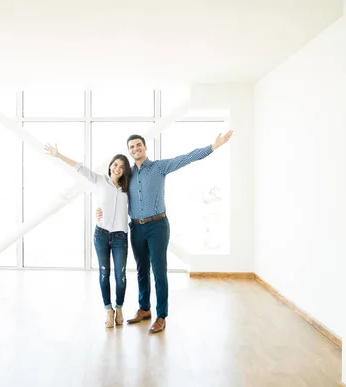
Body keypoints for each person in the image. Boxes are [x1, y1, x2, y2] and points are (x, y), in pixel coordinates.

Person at [97, 130, 233, 333]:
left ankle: (162, 316)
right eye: (132, 147)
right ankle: (144, 309)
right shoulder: (128, 174)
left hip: (157, 225)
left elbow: (186, 158)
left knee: (159, 271)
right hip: (136, 227)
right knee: (142, 270)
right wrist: (100, 210)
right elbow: (112, 191)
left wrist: (213, 146)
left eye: (138, 145)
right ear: (129, 151)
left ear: (145, 147)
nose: (136, 148)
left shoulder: (160, 167)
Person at [45, 143, 132, 328]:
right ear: (110, 166)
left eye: (122, 167)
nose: (118, 168)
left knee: (121, 276)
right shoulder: (100, 180)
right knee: (103, 273)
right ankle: (108, 310)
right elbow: (79, 168)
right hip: (101, 235)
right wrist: (58, 155)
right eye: (115, 164)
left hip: (120, 238)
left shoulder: (127, 188)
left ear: (125, 171)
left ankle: (120, 307)